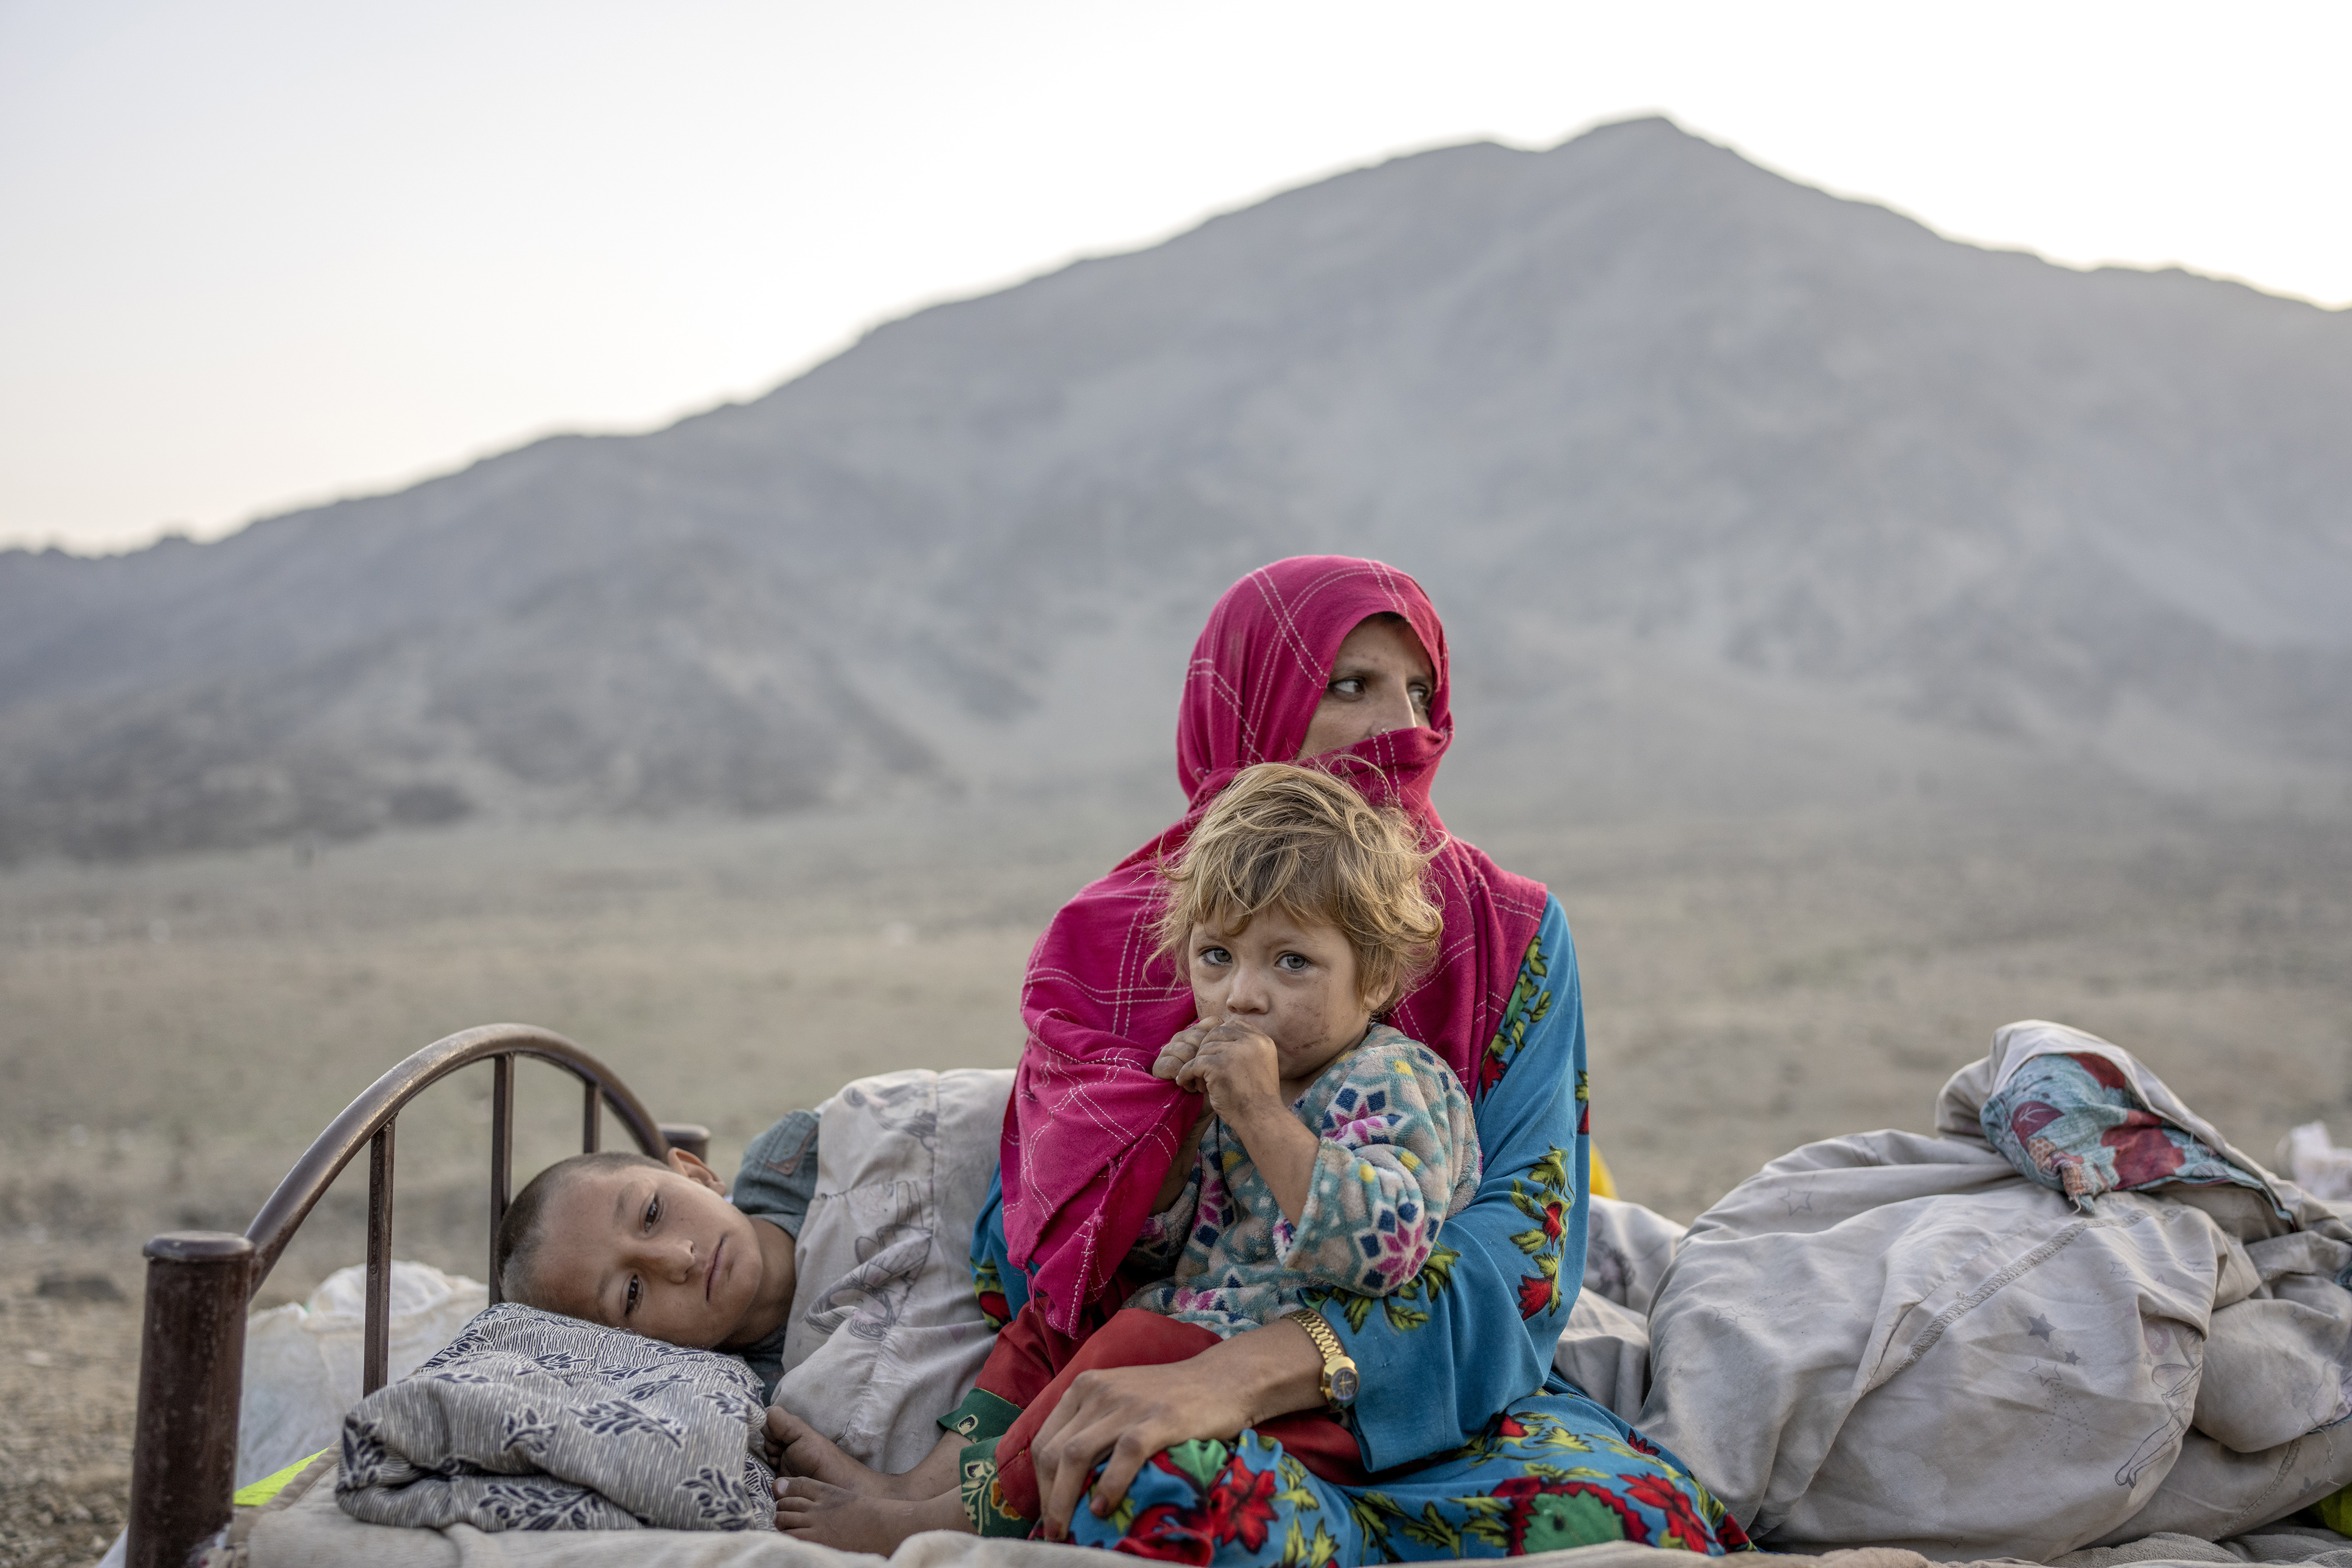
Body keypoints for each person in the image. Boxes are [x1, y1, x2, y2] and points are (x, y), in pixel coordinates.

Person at [780, 556, 1753, 1560]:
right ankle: (942, 1505)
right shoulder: (1125, 942)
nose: (1402, 727)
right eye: (1350, 686)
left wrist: (1249, 1370)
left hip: (1426, 1403)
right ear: (1251, 705)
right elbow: (1047, 1256)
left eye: (1422, 692)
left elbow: (1524, 1258)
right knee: (1139, 1474)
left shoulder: (1510, 934)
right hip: (1163, 1375)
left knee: (1629, 1521)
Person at [771, 761, 1483, 1543]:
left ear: (1376, 975)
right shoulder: (1234, 1081)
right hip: (1200, 1321)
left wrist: (1258, 1113)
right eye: (1218, 956)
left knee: (1133, 1344)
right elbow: (1174, 1247)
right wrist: (1171, 1152)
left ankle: (945, 1522)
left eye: (1292, 962)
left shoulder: (1389, 1079)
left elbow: (1389, 1247)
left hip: (1311, 1389)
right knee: (1064, 1315)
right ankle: (914, 1486)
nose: (1244, 994)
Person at [491, 1112, 822, 1397]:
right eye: (632, 1292)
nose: (678, 1259)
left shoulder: (804, 1154)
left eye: (652, 1214)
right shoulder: (775, 1408)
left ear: (698, 1175)